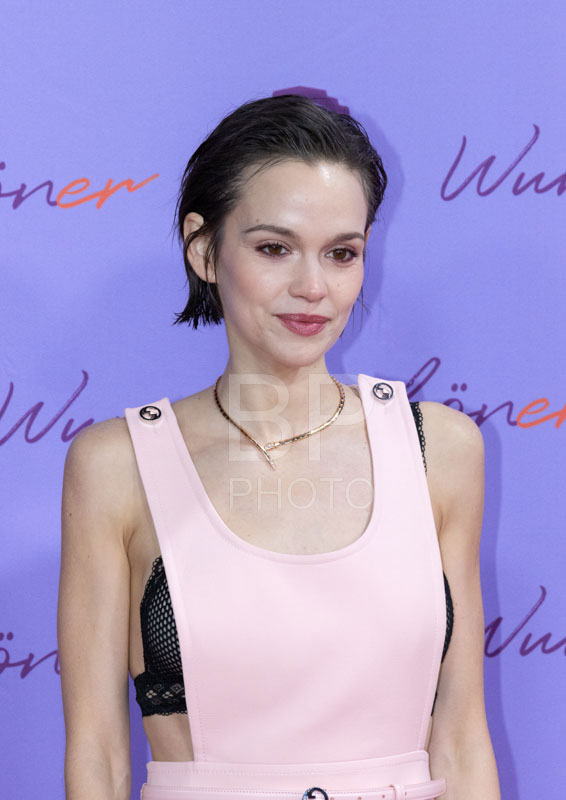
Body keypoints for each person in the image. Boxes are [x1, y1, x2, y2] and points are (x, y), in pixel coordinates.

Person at [57, 94, 500, 800]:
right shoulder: (116, 465)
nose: (312, 287)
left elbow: (461, 737)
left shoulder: (441, 450)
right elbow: (99, 759)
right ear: (203, 249)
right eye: (274, 249)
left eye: (341, 254)